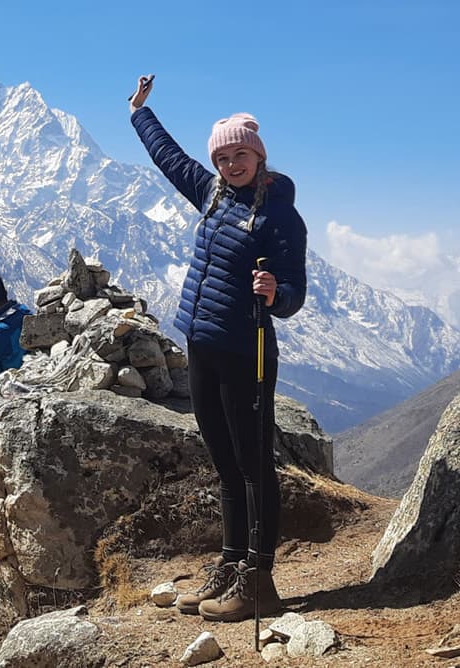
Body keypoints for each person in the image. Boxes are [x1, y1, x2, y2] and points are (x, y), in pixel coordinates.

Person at [129, 75, 307, 622]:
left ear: (258, 156)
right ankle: (231, 563)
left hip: (246, 348)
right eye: (223, 156)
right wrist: (140, 113)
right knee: (226, 463)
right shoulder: (212, 192)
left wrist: (277, 295)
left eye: (240, 155)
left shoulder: (278, 213)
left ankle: (260, 580)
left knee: (254, 466)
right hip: (202, 341)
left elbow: (295, 289)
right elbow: (170, 159)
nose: (231, 164)